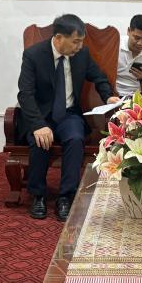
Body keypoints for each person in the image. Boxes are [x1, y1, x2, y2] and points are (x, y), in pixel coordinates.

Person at [17, 13, 120, 221]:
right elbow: (25, 94)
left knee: (75, 138)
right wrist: (38, 125)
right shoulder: (33, 55)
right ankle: (38, 195)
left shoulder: (81, 55)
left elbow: (99, 77)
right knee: (40, 141)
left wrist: (108, 96)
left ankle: (66, 196)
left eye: (81, 41)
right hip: (41, 116)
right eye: (75, 41)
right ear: (58, 38)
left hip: (69, 114)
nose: (79, 46)